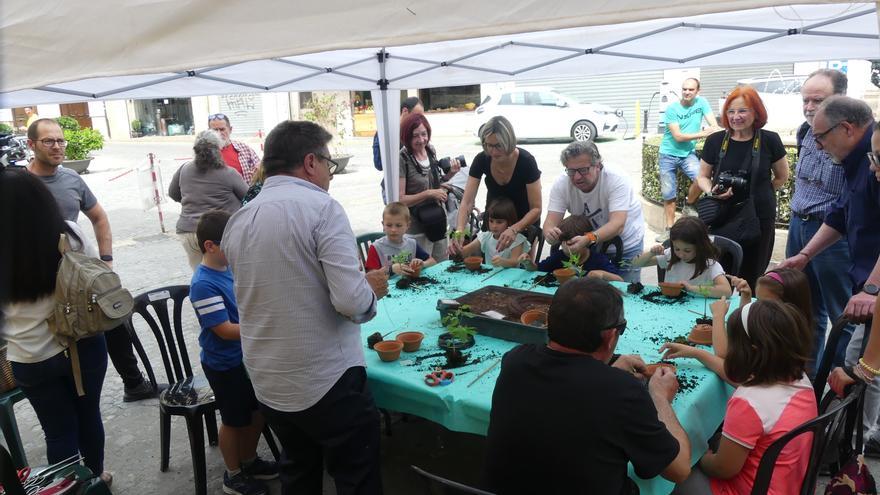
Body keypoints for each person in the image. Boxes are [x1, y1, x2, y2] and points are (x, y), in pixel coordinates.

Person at [222, 120, 389, 494]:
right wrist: (372, 288)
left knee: (297, 472)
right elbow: (351, 302)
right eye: (328, 165)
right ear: (310, 161)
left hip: (268, 381)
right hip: (326, 379)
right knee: (356, 477)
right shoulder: (322, 208)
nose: (329, 175)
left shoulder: (240, 218)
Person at [484, 278, 691, 493]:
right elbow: (679, 470)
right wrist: (659, 396)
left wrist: (608, 370)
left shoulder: (515, 361)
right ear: (610, 337)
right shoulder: (622, 392)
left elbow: (566, 394)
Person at [25, 118, 155, 403]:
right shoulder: (21, 184)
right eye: (49, 141)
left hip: (80, 271)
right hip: (44, 279)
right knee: (66, 332)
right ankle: (73, 394)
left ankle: (133, 383)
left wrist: (106, 260)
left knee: (114, 316)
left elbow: (99, 217)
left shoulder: (72, 179)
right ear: (31, 145)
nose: (57, 146)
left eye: (60, 140)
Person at [0, 168, 111, 484]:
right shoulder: (71, 234)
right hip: (82, 345)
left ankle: (70, 488)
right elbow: (93, 279)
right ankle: (95, 481)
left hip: (29, 358)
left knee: (58, 431)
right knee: (89, 417)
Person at [671, 300, 816, 495]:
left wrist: (700, 455)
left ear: (750, 349)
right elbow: (741, 380)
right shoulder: (796, 377)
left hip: (749, 489)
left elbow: (723, 469)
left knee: (675, 473)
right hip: (788, 484)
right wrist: (697, 353)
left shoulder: (748, 402)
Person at [190, 210, 278, 495]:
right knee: (233, 420)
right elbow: (224, 330)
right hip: (224, 363)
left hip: (247, 357)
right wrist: (262, 325)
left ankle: (249, 460)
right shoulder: (203, 283)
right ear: (210, 246)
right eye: (231, 243)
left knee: (257, 411)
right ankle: (233, 474)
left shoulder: (229, 267)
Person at [785, 69, 852, 369]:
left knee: (843, 315)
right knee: (803, 308)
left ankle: (835, 388)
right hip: (799, 226)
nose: (810, 107)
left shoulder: (854, 137)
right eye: (806, 100)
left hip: (833, 236)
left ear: (840, 99)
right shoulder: (804, 131)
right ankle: (807, 380)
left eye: (818, 100)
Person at [694, 86, 789, 289]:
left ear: (756, 112)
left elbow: (782, 176)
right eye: (731, 111)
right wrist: (713, 192)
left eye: (743, 110)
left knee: (752, 276)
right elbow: (702, 176)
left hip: (758, 218)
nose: (736, 117)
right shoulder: (716, 141)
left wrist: (759, 191)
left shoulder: (770, 140)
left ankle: (745, 317)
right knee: (720, 274)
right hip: (722, 216)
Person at [662, 268, 813, 382]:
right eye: (757, 300)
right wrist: (746, 297)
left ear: (788, 306)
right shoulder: (793, 330)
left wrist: (718, 316)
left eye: (764, 303)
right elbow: (746, 329)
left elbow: (725, 356)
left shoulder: (776, 343)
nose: (757, 307)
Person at [543, 140, 645, 282]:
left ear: (598, 165)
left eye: (583, 170)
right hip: (589, 247)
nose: (577, 177)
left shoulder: (616, 179)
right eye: (571, 171)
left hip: (627, 244)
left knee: (626, 292)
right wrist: (549, 233)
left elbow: (618, 224)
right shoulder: (561, 183)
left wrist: (588, 239)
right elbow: (550, 221)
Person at [450, 116, 542, 255]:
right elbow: (467, 201)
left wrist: (514, 229)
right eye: (488, 145)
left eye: (498, 145)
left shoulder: (526, 161)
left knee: (520, 268)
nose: (493, 151)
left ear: (509, 142)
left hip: (524, 224)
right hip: (494, 220)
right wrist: (460, 230)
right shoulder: (482, 159)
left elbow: (536, 208)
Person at [168, 130, 248, 270]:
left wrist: (194, 200)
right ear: (218, 149)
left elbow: (173, 193)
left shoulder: (184, 169)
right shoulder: (228, 173)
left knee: (199, 273)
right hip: (220, 234)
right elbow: (248, 197)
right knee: (227, 275)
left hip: (188, 231)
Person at [657, 77, 720, 241]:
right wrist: (704, 133)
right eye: (684, 89)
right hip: (668, 154)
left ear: (698, 91)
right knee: (668, 194)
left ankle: (689, 204)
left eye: (691, 89)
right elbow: (678, 136)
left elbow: (714, 126)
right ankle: (669, 230)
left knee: (702, 179)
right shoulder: (672, 109)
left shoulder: (702, 103)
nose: (686, 92)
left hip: (687, 154)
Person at [397, 113, 460, 261]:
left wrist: (450, 174)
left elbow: (436, 182)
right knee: (421, 267)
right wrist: (429, 194)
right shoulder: (402, 158)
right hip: (416, 226)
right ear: (407, 136)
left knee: (442, 264)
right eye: (415, 136)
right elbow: (400, 200)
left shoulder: (430, 150)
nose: (421, 140)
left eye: (424, 134)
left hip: (437, 219)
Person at [633, 217, 732, 298]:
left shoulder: (709, 265)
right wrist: (651, 253)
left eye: (687, 250)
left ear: (700, 246)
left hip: (696, 311)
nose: (681, 255)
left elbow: (726, 291)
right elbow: (636, 263)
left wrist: (692, 288)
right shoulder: (670, 256)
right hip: (670, 308)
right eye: (677, 249)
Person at [520, 214, 622, 281]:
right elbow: (538, 269)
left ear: (586, 242)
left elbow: (620, 280)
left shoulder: (598, 260)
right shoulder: (559, 257)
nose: (568, 246)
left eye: (574, 242)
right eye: (564, 242)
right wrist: (528, 263)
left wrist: (603, 274)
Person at [372, 97, 424, 203]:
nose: (418, 120)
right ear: (404, 111)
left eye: (421, 117)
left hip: (414, 188)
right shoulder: (385, 131)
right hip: (393, 189)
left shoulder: (417, 133)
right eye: (416, 116)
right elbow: (379, 164)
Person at [364, 201, 437, 276]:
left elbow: (433, 261)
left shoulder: (412, 244)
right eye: (389, 225)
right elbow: (370, 276)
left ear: (407, 225)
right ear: (383, 225)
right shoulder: (376, 247)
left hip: (411, 284)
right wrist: (391, 269)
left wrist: (422, 264)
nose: (393, 230)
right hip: (386, 286)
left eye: (398, 225)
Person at [454, 198, 531, 268]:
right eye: (491, 221)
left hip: (510, 279)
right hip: (489, 277)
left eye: (499, 222)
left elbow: (515, 261)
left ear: (509, 222)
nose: (494, 226)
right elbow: (466, 251)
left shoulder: (516, 239)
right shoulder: (485, 237)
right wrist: (456, 248)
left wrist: (503, 262)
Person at [208, 113, 261, 184]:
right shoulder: (205, 153)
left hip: (245, 194)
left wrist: (258, 173)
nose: (218, 133)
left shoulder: (244, 149)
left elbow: (261, 170)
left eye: (222, 129)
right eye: (215, 130)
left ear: (230, 129)